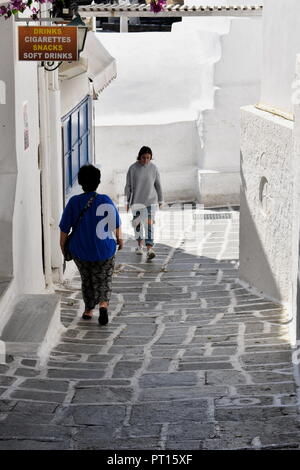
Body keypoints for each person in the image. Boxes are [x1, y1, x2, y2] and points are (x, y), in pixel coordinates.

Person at [59, 164, 123, 325]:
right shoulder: (106, 200)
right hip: (104, 250)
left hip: (81, 250)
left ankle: (88, 310)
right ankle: (103, 305)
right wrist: (120, 240)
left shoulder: (74, 202)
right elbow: (116, 225)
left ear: (80, 182)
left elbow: (64, 230)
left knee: (87, 279)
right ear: (98, 181)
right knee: (104, 279)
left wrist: (63, 248)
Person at [125, 146, 163, 260]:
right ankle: (139, 246)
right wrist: (127, 201)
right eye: (143, 158)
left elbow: (158, 185)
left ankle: (149, 248)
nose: (146, 160)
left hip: (150, 201)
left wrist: (160, 200)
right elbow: (128, 187)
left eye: (148, 158)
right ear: (139, 157)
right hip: (136, 202)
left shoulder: (154, 168)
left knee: (149, 225)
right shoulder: (132, 169)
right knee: (137, 225)